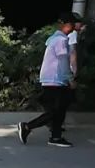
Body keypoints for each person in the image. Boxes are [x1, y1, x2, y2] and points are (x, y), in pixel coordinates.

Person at [18, 12, 80, 148]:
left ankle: (56, 137)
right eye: (73, 24)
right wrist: (70, 79)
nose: (74, 27)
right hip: (55, 80)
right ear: (67, 25)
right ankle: (27, 127)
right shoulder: (61, 40)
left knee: (60, 110)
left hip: (52, 79)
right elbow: (64, 62)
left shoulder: (55, 38)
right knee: (55, 111)